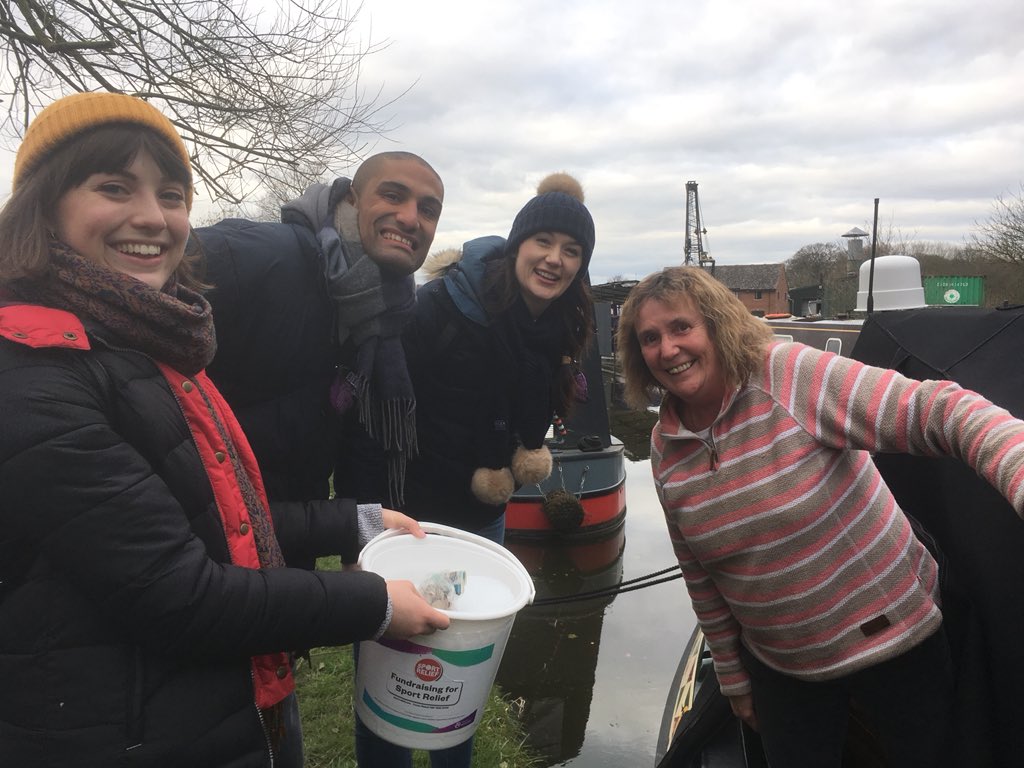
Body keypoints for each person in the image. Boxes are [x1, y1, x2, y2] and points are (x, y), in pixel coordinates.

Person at [0, 92, 449, 768]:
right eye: (114, 187)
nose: (152, 218)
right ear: (45, 204)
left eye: (172, 194)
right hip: (123, 730)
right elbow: (179, 592)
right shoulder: (36, 376)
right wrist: (374, 602)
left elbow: (210, 516)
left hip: (226, 688)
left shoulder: (152, 347)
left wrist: (352, 522)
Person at [614, 265, 1024, 768]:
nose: (667, 349)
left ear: (717, 324)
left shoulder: (786, 376)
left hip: (894, 641)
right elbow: (701, 574)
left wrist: (1017, 470)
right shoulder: (664, 449)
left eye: (681, 327)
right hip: (781, 664)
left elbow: (936, 410)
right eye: (650, 338)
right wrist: (733, 679)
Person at [345, 172, 597, 767]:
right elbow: (372, 417)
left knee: (458, 684)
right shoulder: (439, 308)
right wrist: (358, 529)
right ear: (518, 245)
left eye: (573, 251)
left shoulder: (561, 325)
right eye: (544, 242)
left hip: (481, 525)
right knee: (388, 686)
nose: (554, 261)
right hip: (405, 522)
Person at [197, 151, 444, 512]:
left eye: (428, 210)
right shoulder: (263, 254)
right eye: (393, 195)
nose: (410, 218)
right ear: (351, 199)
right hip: (202, 524)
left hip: (291, 531)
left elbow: (358, 439)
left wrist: (357, 537)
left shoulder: (388, 315)